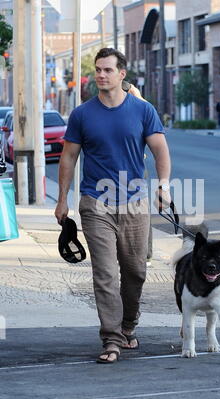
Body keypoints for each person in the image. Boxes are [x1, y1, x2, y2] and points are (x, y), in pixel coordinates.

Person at [55, 48, 171, 364]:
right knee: (105, 273)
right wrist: (63, 199)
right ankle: (111, 339)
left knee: (135, 272)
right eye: (98, 70)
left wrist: (163, 185)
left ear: (122, 74)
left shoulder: (143, 111)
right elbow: (68, 157)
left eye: (108, 70)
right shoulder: (82, 114)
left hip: (134, 201)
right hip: (96, 203)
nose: (102, 75)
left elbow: (160, 150)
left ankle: (128, 326)